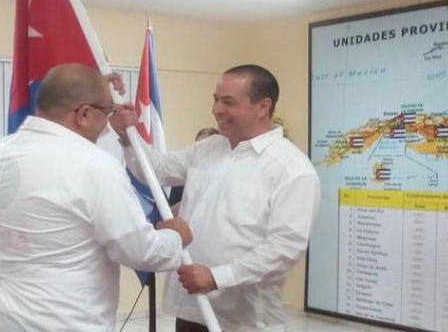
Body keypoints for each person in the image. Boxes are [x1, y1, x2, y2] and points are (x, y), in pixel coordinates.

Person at [0, 63, 193, 332]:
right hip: (60, 317)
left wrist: (94, 90)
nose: (108, 121)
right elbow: (142, 251)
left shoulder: (0, 151)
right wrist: (176, 236)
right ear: (84, 113)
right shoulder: (93, 165)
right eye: (107, 111)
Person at [112, 64, 320, 332]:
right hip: (192, 306)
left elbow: (284, 248)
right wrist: (129, 138)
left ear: (263, 106)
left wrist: (217, 277)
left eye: (228, 102)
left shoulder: (292, 169)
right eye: (216, 99)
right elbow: (157, 170)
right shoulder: (210, 148)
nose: (216, 109)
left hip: (244, 320)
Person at [168, 127, 220, 206]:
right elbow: (168, 214)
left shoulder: (226, 177)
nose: (202, 150)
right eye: (198, 146)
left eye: (207, 146)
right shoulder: (181, 179)